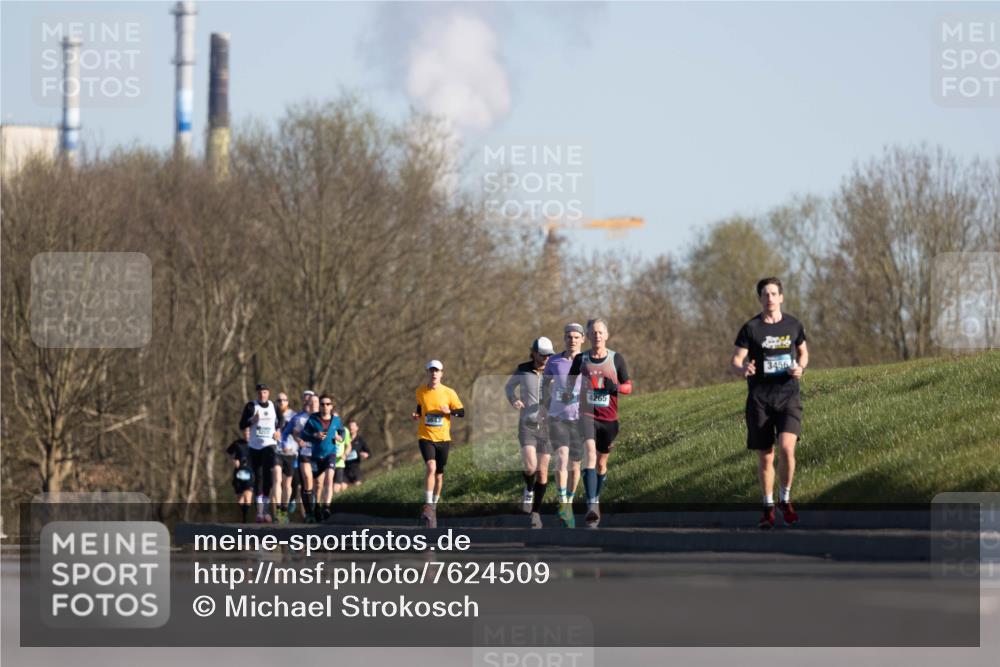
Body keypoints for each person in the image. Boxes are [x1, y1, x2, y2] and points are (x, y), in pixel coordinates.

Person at [730, 277, 808, 529]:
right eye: (765, 294)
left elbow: (803, 351)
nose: (770, 298)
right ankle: (768, 507)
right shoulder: (751, 328)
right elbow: (736, 359)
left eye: (774, 294)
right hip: (760, 400)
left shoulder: (794, 325)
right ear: (760, 299)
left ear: (781, 297)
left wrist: (800, 367)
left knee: (787, 448)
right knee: (766, 456)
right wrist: (743, 367)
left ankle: (785, 499)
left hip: (788, 396)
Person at [570, 318, 633, 529]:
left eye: (600, 332)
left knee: (601, 464)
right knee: (590, 453)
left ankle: (596, 497)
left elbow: (629, 387)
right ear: (587, 336)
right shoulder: (581, 359)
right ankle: (592, 504)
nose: (597, 335)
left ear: (606, 335)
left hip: (609, 419)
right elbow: (569, 385)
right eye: (593, 332)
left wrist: (614, 387)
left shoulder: (616, 359)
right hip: (587, 416)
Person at [505, 336, 555, 528]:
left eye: (549, 355)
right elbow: (509, 387)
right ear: (533, 353)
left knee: (542, 473)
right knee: (530, 467)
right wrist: (514, 400)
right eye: (542, 355)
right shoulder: (523, 369)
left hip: (548, 427)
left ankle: (536, 513)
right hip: (527, 425)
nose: (545, 359)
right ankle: (528, 488)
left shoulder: (554, 371)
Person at [412, 359, 465, 529]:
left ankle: (434, 506)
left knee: (439, 475)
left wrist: (450, 411)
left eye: (437, 371)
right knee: (431, 467)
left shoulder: (449, 392)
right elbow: (421, 406)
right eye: (431, 371)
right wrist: (417, 414)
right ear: (427, 373)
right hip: (426, 436)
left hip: (443, 438)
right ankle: (427, 505)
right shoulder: (420, 391)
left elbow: (461, 412)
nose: (434, 374)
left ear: (442, 373)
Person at [543, 323, 586, 528]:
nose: (572, 340)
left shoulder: (587, 361)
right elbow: (544, 386)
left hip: (579, 419)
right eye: (569, 337)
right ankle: (562, 502)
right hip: (557, 417)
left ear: (582, 339)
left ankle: (568, 502)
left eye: (576, 337)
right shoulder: (554, 361)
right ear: (564, 339)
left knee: (575, 464)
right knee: (561, 458)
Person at [238, 383, 281, 523]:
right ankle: (260, 511)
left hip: (270, 445)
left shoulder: (274, 406)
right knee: (258, 476)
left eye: (265, 392)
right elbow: (241, 425)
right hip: (254, 447)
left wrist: (278, 431)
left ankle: (266, 509)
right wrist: (252, 420)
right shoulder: (251, 406)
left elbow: (280, 421)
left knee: (268, 475)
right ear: (257, 394)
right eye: (260, 393)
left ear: (268, 393)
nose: (262, 395)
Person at [301, 394, 345, 522]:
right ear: (319, 406)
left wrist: (340, 438)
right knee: (318, 485)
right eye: (322, 404)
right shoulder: (313, 419)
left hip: (330, 454)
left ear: (331, 406)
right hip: (315, 456)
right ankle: (317, 506)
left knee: (329, 478)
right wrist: (315, 434)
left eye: (327, 404)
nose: (325, 406)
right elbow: (304, 434)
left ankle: (326, 507)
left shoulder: (336, 420)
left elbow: (341, 431)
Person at [280, 390, 315, 521]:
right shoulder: (297, 417)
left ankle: (311, 512)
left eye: (310, 399)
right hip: (298, 456)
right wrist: (285, 443)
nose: (307, 401)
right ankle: (302, 510)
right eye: (305, 399)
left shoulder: (322, 417)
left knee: (316, 484)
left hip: (318, 455)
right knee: (301, 484)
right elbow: (285, 433)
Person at [272, 392, 295, 523]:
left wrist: (292, 447)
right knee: (277, 478)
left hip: (290, 453)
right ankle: (278, 509)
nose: (281, 402)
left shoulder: (294, 416)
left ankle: (284, 510)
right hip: (276, 451)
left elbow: (299, 434)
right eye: (279, 400)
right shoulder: (272, 415)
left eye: (284, 400)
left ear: (288, 402)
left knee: (287, 484)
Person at [226, 437, 253, 522]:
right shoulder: (238, 443)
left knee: (247, 494)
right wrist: (234, 460)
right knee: (240, 499)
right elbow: (229, 452)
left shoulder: (255, 442)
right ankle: (244, 514)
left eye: (249, 431)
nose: (247, 433)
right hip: (239, 472)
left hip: (251, 472)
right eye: (245, 431)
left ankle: (246, 518)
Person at [344, 419, 371, 485]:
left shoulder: (360, 440)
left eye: (353, 426)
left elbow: (369, 453)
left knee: (358, 485)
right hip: (344, 468)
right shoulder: (344, 439)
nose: (351, 427)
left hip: (355, 468)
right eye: (350, 426)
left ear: (357, 428)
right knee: (342, 487)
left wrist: (366, 455)